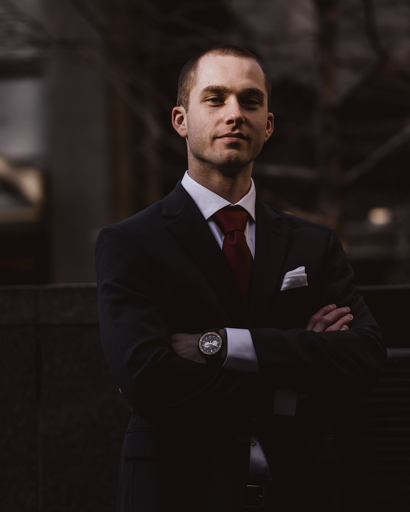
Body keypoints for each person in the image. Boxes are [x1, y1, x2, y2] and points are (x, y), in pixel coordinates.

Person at [95, 44, 386, 512]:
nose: (235, 114)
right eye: (215, 99)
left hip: (304, 493)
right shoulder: (130, 243)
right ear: (180, 121)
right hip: (179, 494)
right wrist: (295, 375)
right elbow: (147, 379)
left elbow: (365, 355)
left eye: (251, 101)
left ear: (268, 125)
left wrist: (221, 345)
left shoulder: (313, 243)